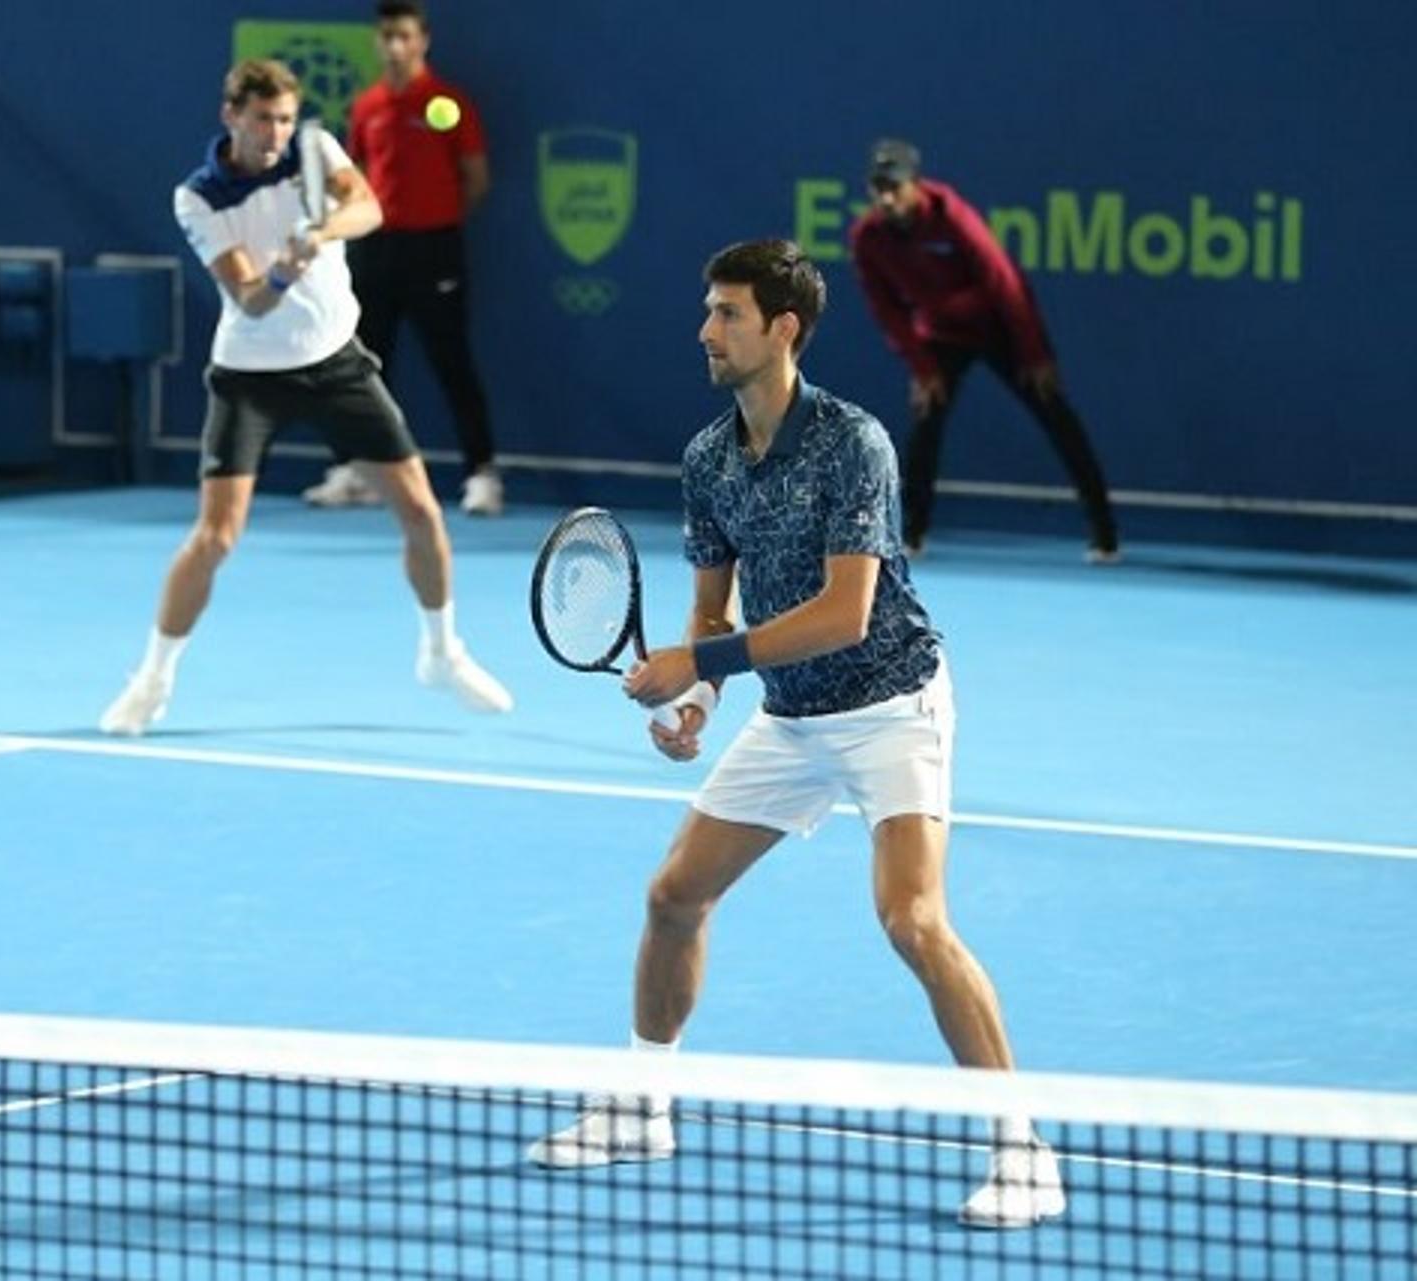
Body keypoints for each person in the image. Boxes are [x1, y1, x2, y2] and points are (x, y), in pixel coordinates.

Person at [525, 240, 1065, 1230]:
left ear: (784, 329)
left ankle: (1022, 1147)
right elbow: (710, 609)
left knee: (912, 921)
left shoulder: (852, 442)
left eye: (726, 314)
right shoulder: (707, 458)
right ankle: (643, 1103)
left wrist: (703, 666)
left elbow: (844, 614)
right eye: (707, 311)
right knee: (674, 894)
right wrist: (699, 702)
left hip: (892, 703)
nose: (705, 331)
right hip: (789, 715)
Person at [99, 58, 513, 734]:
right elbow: (251, 300)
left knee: (419, 509)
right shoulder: (198, 196)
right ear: (231, 116)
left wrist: (317, 234)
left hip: (338, 363)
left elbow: (368, 207)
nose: (276, 132)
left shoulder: (313, 151)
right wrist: (286, 272)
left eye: (285, 118)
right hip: (249, 376)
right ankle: (152, 679)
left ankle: (442, 653)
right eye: (263, 119)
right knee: (216, 535)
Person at [849, 139, 1120, 562]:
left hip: (1001, 330)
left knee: (1056, 414)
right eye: (878, 189)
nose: (887, 198)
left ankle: (1105, 535)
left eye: (895, 188)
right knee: (926, 421)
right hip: (941, 336)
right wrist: (922, 367)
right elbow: (887, 311)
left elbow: (1006, 285)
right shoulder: (867, 238)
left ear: (916, 185)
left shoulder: (953, 217)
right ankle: (912, 535)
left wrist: (1035, 355)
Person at [301, 0, 503, 517]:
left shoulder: (448, 102)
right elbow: (355, 179)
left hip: (435, 248)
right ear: (377, 40)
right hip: (375, 249)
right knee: (364, 365)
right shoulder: (367, 106)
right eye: (387, 36)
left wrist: (435, 217)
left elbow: (475, 179)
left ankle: (482, 475)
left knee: (453, 363)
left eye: (404, 36)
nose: (395, 46)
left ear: (423, 41)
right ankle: (357, 470)